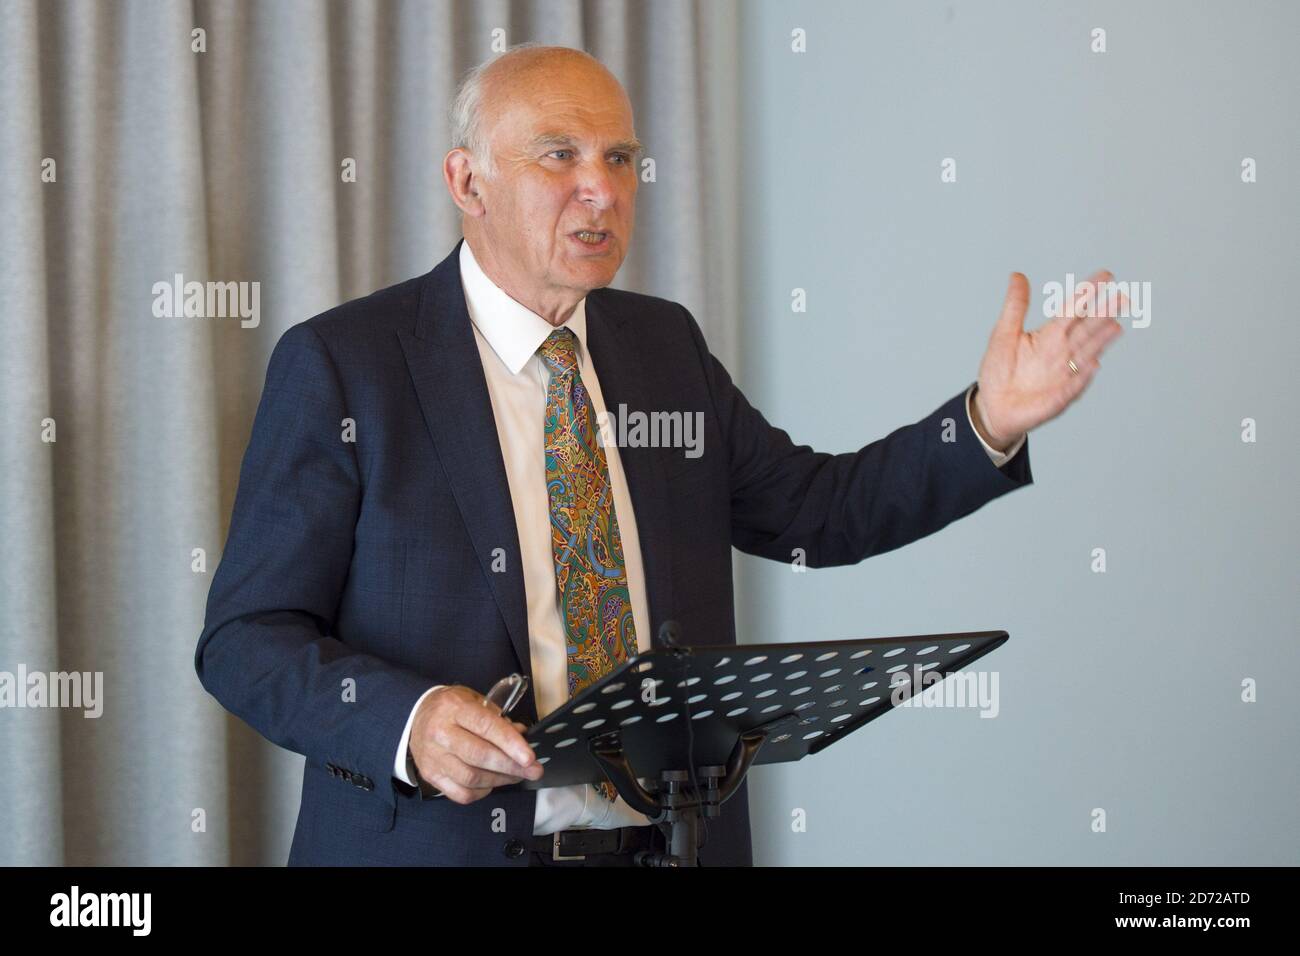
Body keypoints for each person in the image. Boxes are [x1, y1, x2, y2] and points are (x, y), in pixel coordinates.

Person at [195, 43, 1124, 867]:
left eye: (622, 158)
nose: (602, 187)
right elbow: (247, 639)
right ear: (467, 182)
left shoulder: (662, 346)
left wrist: (986, 420)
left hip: (674, 842)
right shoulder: (345, 364)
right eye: (560, 154)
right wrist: (407, 720)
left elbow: (819, 512)